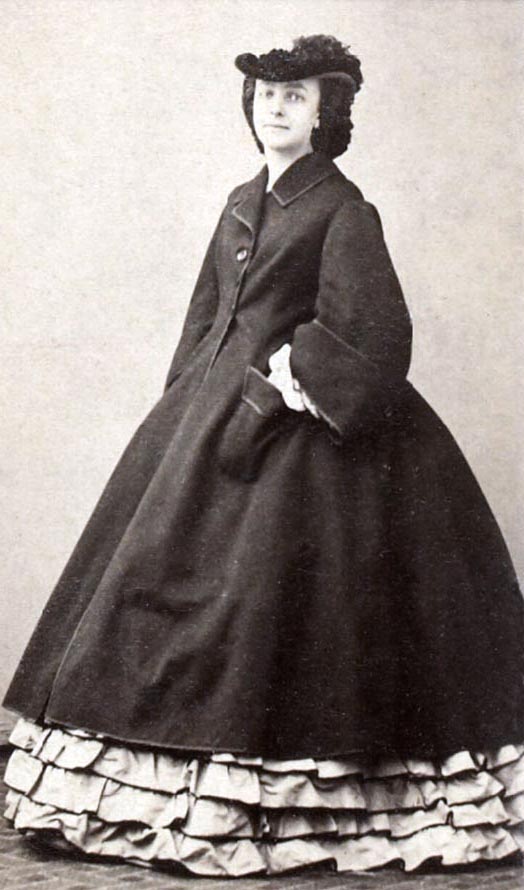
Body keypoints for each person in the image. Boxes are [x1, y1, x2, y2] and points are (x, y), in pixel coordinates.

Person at [2, 34, 524, 877]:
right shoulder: (239, 201)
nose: (276, 108)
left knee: (287, 611)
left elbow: (374, 335)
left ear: (325, 115)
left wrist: (287, 374)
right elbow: (206, 317)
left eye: (295, 98)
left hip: (299, 429)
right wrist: (179, 410)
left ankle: (293, 808)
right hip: (208, 419)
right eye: (266, 97)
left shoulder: (343, 210)